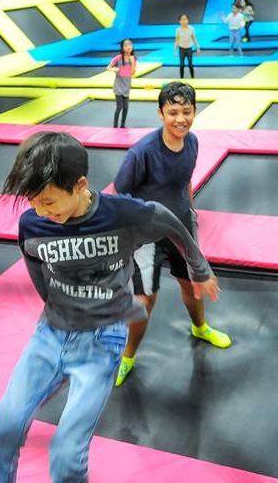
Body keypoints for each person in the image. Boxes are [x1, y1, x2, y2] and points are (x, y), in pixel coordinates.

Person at [0, 131, 219, 482]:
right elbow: (33, 258)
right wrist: (53, 304)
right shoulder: (33, 222)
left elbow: (172, 221)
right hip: (51, 334)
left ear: (79, 185)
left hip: (101, 338)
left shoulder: (122, 215)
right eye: (33, 201)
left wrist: (199, 269)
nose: (40, 211)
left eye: (49, 201)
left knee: (66, 457)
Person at [113, 82, 231, 387]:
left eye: (187, 111)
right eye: (173, 112)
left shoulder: (192, 143)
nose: (181, 119)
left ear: (195, 111)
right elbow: (120, 192)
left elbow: (185, 182)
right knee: (145, 298)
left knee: (193, 284)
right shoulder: (143, 152)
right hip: (147, 234)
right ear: (161, 113)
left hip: (182, 227)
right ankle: (126, 358)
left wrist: (189, 213)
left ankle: (200, 328)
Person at [107, 38, 137, 128]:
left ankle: (123, 125)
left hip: (127, 85)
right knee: (119, 107)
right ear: (122, 47)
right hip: (119, 86)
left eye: (130, 45)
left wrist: (132, 62)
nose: (128, 47)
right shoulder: (118, 58)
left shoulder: (133, 58)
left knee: (126, 107)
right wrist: (114, 69)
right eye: (126, 45)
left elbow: (133, 73)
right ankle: (115, 126)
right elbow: (108, 67)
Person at [174, 14, 201, 78]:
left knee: (190, 65)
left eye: (185, 19)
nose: (184, 21)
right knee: (182, 65)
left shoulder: (191, 28)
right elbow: (177, 40)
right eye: (182, 19)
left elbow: (194, 38)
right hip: (181, 49)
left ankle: (192, 78)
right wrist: (175, 50)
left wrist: (198, 47)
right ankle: (181, 79)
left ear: (188, 20)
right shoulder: (177, 30)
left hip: (189, 49)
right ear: (179, 21)